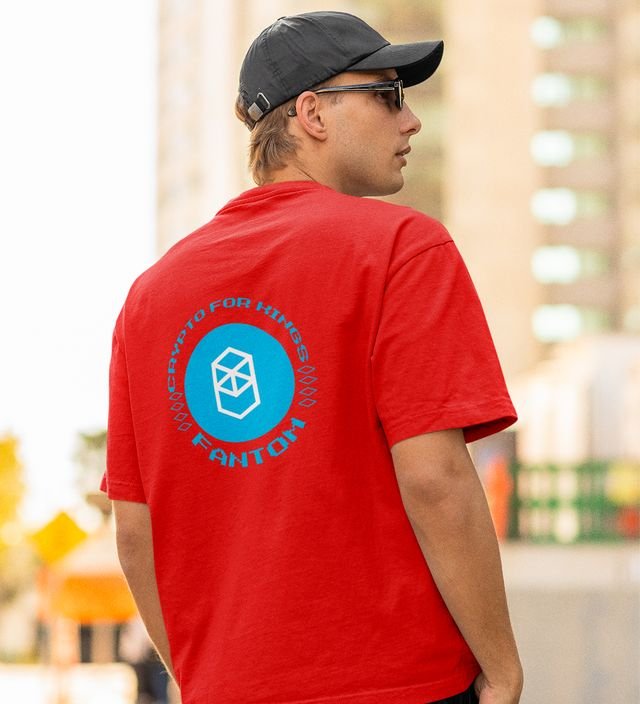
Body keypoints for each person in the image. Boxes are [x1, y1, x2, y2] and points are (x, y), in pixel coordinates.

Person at [102, 11, 523, 704]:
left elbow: (134, 531)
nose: (411, 120)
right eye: (388, 95)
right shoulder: (402, 248)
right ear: (312, 113)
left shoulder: (150, 298)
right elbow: (436, 479)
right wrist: (502, 669)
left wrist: (200, 679)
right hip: (399, 685)